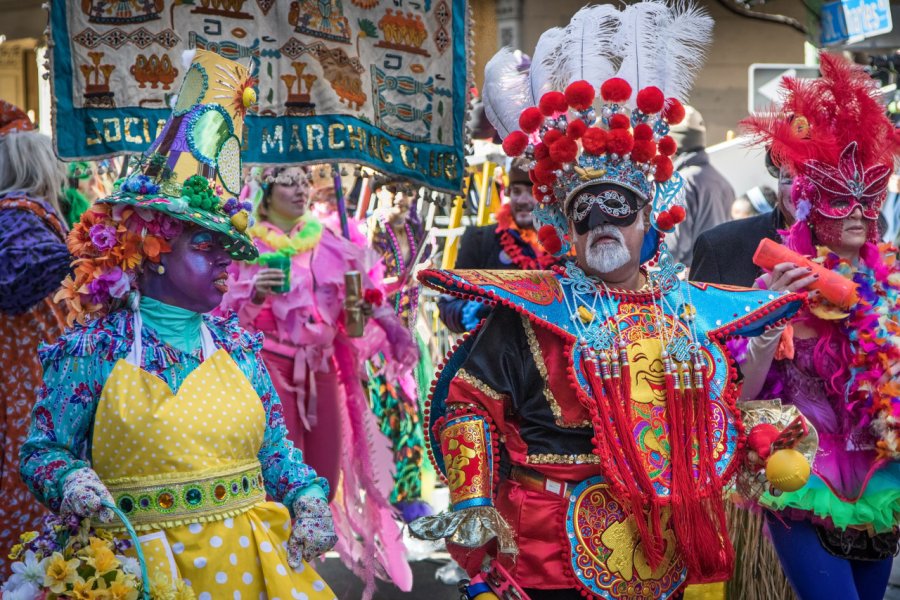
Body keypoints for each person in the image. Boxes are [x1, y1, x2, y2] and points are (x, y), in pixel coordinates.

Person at [410, 4, 803, 597]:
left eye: (619, 213)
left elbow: (704, 414)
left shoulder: (685, 309)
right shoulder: (530, 311)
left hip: (662, 551)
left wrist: (757, 432)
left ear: (650, 220)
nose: (603, 228)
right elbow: (468, 403)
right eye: (585, 213)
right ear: (565, 224)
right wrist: (471, 500)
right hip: (547, 554)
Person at [18, 50, 338, 599]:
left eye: (228, 249)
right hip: (139, 572)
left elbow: (275, 450)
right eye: (206, 245)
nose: (225, 262)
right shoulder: (96, 347)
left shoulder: (236, 344)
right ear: (155, 248)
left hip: (247, 571)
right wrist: (70, 480)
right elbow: (41, 450)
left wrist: (307, 495)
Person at [739, 53, 900, 600]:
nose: (856, 211)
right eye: (839, 197)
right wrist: (770, 322)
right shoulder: (776, 287)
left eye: (867, 197)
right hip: (803, 476)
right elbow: (744, 391)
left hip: (882, 478)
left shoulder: (895, 286)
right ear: (809, 203)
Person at [220, 165, 415, 596]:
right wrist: (254, 296)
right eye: (289, 181)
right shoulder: (242, 243)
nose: (301, 190)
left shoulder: (335, 242)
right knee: (278, 478)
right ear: (267, 189)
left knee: (322, 476)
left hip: (321, 366)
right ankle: (273, 576)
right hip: (268, 367)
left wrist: (374, 317)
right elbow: (219, 321)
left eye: (305, 181)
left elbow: (358, 323)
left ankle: (298, 566)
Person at [0, 102, 69, 579]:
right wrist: (86, 253)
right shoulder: (19, 215)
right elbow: (18, 280)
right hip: (25, 378)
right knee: (29, 476)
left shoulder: (19, 215)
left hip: (30, 375)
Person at [368, 177, 436, 522]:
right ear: (379, 191)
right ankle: (387, 498)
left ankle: (408, 496)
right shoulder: (368, 232)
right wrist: (400, 283)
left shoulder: (416, 228)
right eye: (395, 189)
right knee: (389, 421)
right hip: (376, 344)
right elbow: (361, 290)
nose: (403, 197)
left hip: (409, 341)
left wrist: (424, 332)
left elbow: (417, 293)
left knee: (413, 420)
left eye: (409, 189)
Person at [437, 158, 561, 333]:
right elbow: (448, 306)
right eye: (517, 192)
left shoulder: (562, 248)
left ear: (546, 198)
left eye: (531, 192)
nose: (523, 200)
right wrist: (477, 311)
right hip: (495, 354)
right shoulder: (480, 239)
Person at [691, 151, 797, 287]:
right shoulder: (719, 248)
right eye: (791, 176)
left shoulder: (833, 248)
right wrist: (765, 305)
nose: (803, 187)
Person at [666, 105, 736, 269]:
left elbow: (670, 249)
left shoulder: (681, 182)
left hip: (688, 286)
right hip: (716, 280)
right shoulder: (722, 181)